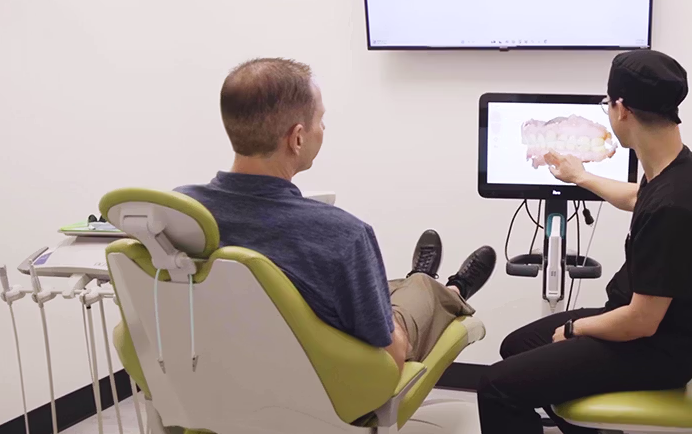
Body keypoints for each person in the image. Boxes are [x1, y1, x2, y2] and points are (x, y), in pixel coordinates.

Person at [467, 50, 692, 434]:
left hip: (655, 347)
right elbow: (637, 197)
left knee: (499, 387)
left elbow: (640, 321)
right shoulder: (680, 169)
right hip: (662, 332)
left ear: (621, 109)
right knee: (517, 343)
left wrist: (578, 331)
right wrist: (579, 175)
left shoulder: (676, 205)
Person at [176, 58, 496, 369]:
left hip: (218, 373)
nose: (323, 128)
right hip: (321, 387)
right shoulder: (340, 233)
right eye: (320, 120)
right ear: (297, 137)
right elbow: (392, 356)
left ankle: (417, 282)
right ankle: (447, 289)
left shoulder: (176, 214)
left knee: (380, 289)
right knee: (419, 294)